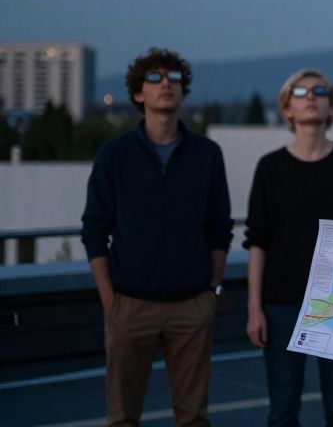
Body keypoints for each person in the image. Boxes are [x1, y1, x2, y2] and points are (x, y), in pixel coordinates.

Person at [81, 47, 234, 427]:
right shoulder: (114, 155)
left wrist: (211, 289)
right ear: (138, 94)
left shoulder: (206, 154)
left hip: (191, 305)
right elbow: (94, 229)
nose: (166, 84)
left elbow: (219, 226)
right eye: (154, 78)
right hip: (130, 305)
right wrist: (109, 302)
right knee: (122, 418)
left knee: (193, 418)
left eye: (174, 79)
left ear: (183, 91)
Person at [243, 69, 333, 426]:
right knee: (283, 410)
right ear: (287, 108)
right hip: (282, 302)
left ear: (331, 107)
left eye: (320, 91)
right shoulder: (270, 167)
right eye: (301, 92)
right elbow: (258, 241)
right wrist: (255, 308)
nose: (311, 96)